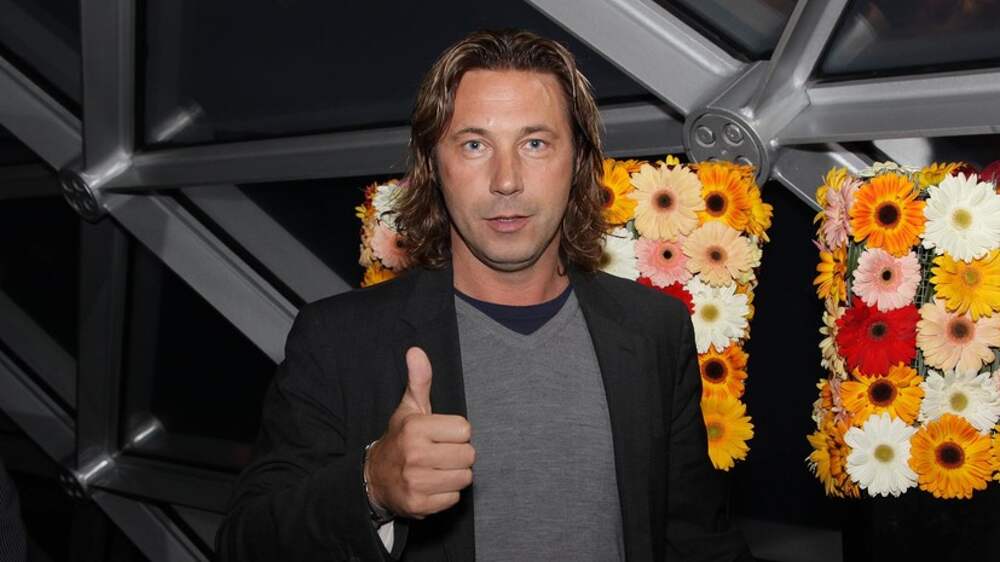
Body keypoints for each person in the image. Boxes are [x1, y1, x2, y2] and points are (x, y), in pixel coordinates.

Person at [216, 29, 752, 562]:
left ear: (579, 161)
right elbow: (246, 544)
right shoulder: (340, 341)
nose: (506, 180)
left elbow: (698, 542)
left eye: (535, 143)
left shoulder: (652, 328)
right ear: (433, 166)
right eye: (474, 145)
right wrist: (371, 486)